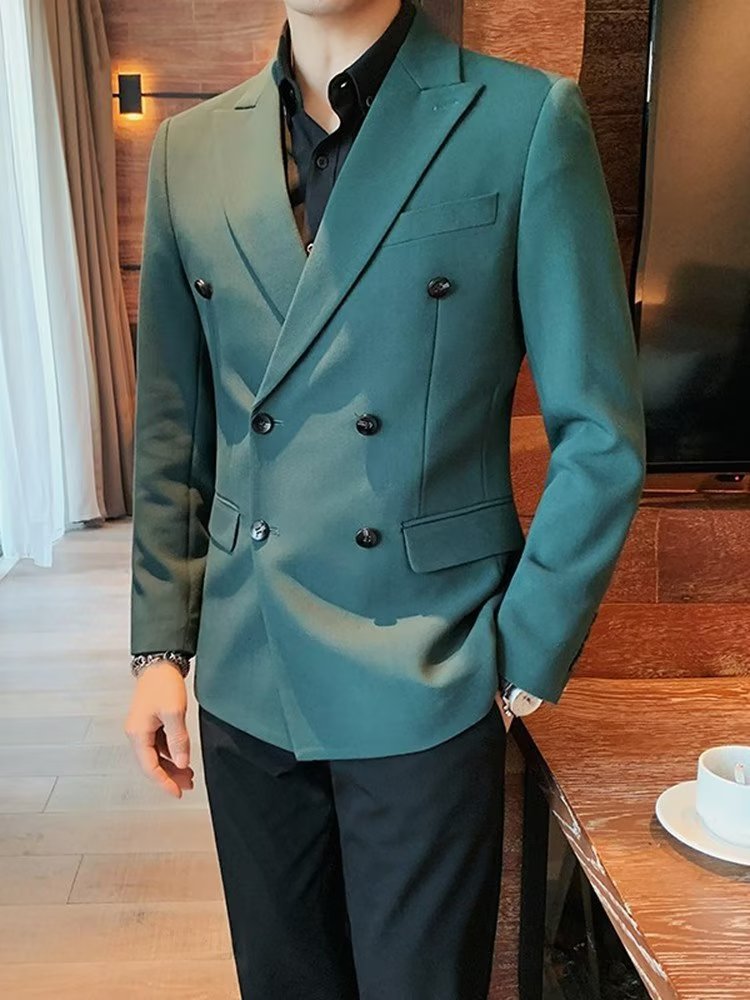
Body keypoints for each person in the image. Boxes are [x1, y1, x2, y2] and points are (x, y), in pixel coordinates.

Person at [124, 1, 647, 997]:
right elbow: (172, 430)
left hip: (429, 663)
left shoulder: (524, 120)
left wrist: (521, 656)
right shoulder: (190, 151)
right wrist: (161, 648)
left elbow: (600, 433)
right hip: (246, 663)